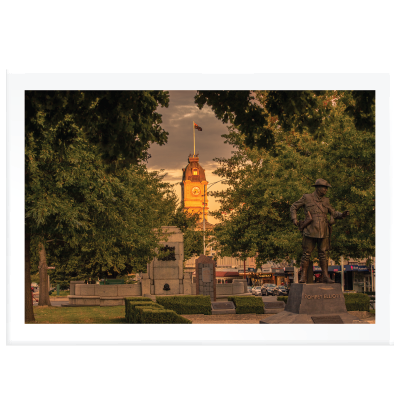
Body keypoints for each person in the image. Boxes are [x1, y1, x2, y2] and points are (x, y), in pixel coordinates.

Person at [290, 178, 349, 284]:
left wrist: (342, 215)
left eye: (327, 188)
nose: (326, 190)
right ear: (318, 188)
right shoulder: (307, 197)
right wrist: (294, 219)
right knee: (306, 254)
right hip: (310, 230)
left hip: (323, 230)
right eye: (324, 188)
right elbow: (294, 206)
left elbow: (333, 212)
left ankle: (325, 276)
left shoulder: (326, 200)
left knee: (323, 254)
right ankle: (303, 276)